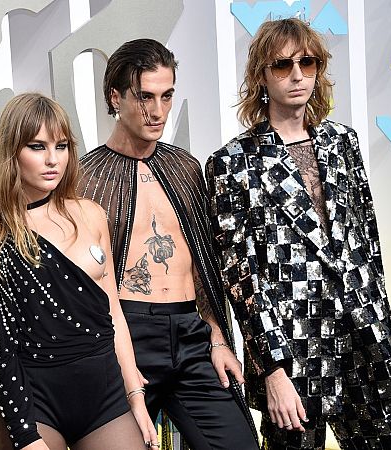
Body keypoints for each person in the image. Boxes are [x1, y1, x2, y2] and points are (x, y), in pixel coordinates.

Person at [205, 18, 391, 449]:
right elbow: (242, 279)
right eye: (282, 65)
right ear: (261, 75)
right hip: (294, 351)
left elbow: (368, 251)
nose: (297, 75)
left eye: (307, 63)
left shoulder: (343, 143)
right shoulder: (232, 163)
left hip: (364, 342)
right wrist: (272, 370)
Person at [77, 39, 259, 450]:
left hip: (191, 333)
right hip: (125, 336)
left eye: (167, 95)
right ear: (115, 97)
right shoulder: (85, 176)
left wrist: (217, 337)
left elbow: (205, 263)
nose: (157, 111)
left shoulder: (185, 167)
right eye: (145, 96)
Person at [0, 93, 157, 450]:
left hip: (105, 397)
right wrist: (24, 434)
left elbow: (114, 313)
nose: (53, 159)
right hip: (31, 403)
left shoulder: (91, 214)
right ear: (12, 152)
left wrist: (135, 396)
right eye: (38, 146)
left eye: (62, 146)